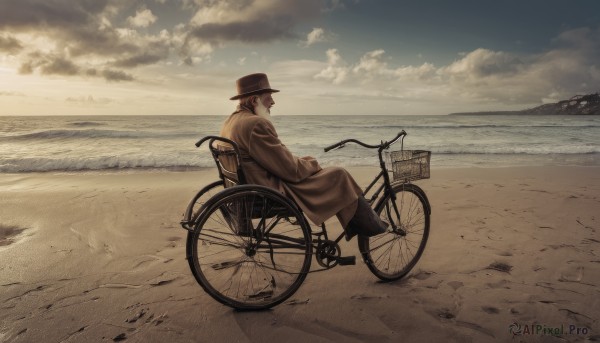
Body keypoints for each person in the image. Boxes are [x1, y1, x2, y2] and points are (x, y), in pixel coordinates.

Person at [219, 73, 387, 240]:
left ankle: (359, 223)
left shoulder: (231, 122)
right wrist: (312, 164)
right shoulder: (256, 124)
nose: (273, 102)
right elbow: (291, 170)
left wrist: (302, 162)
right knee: (339, 174)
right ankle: (370, 226)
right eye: (269, 97)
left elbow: (274, 159)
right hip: (271, 190)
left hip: (250, 186)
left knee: (328, 172)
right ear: (255, 100)